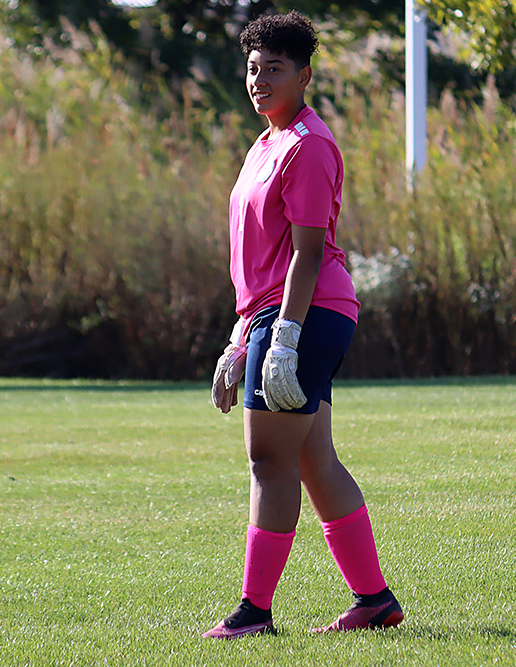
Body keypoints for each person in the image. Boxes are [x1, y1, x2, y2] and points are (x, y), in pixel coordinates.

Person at [204, 11, 403, 639]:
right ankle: (374, 601)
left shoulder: (309, 144)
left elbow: (308, 253)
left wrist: (282, 340)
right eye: (253, 69)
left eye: (275, 69)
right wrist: (241, 340)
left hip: (306, 312)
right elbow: (257, 260)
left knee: (267, 459)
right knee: (313, 457)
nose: (260, 80)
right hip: (281, 314)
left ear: (305, 75)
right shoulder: (265, 142)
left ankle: (254, 612)